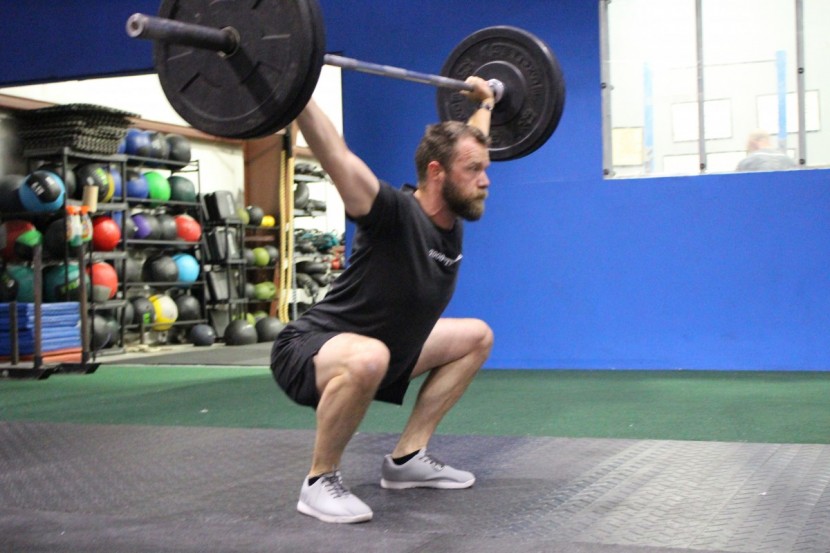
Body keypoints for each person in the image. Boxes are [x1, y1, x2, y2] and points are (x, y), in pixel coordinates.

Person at [269, 76, 496, 524]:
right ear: (437, 173)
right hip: (310, 348)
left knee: (476, 336)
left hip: (386, 350)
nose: (485, 180)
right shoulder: (391, 212)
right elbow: (336, 155)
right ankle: (319, 481)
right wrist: (292, 93)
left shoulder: (451, 210)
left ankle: (407, 458)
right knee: (370, 356)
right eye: (474, 171)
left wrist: (486, 101)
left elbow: (469, 142)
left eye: (483, 168)